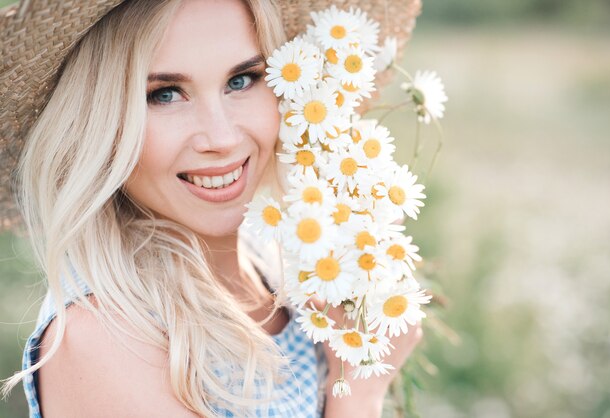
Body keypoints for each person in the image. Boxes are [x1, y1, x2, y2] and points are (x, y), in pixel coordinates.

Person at [0, 0, 424, 416]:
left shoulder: (275, 261)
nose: (220, 137)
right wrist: (357, 394)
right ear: (97, 123)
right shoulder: (104, 340)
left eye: (242, 80)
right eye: (165, 94)